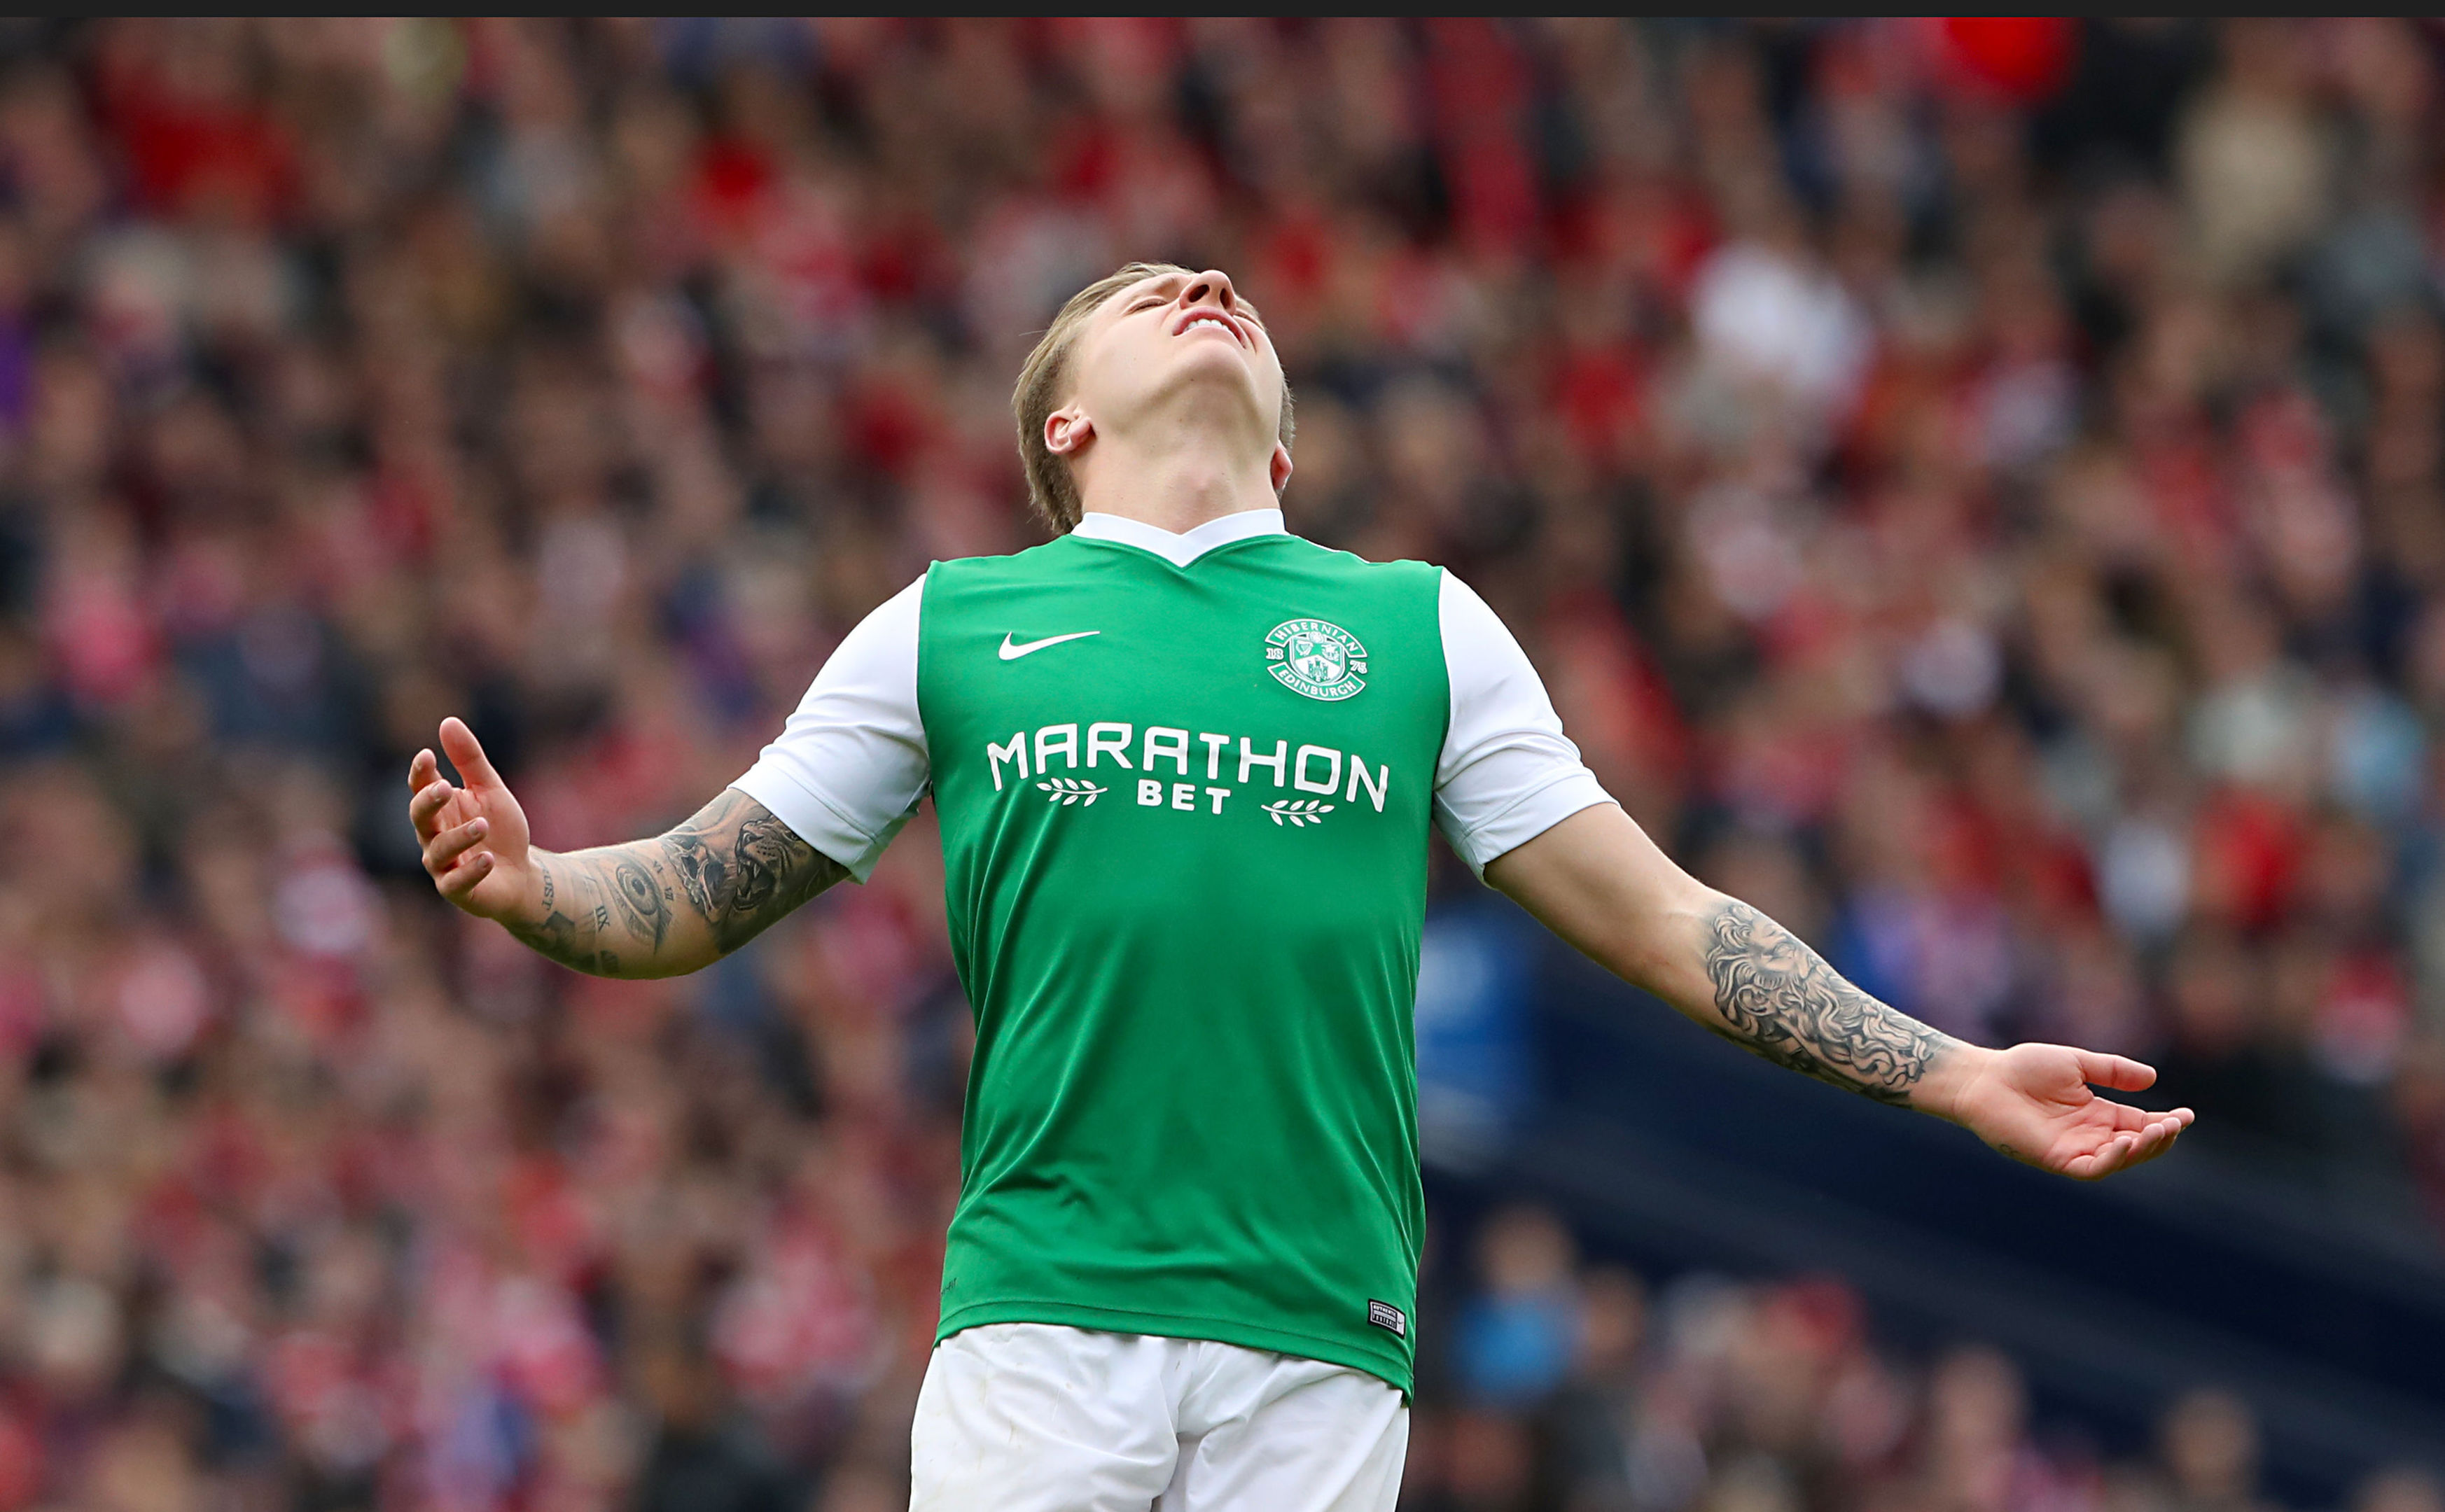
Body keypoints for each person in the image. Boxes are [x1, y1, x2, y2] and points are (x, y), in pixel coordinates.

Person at [405, 262, 2194, 1512]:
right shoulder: (953, 625)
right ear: (1064, 435)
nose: (1204, 289)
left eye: (1227, 296)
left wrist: (1953, 1069)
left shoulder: (1413, 627)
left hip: (1321, 1334)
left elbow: (1665, 918)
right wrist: (536, 884)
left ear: (1282, 448)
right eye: (1137, 293)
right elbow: (706, 887)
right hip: (1044, 1310)